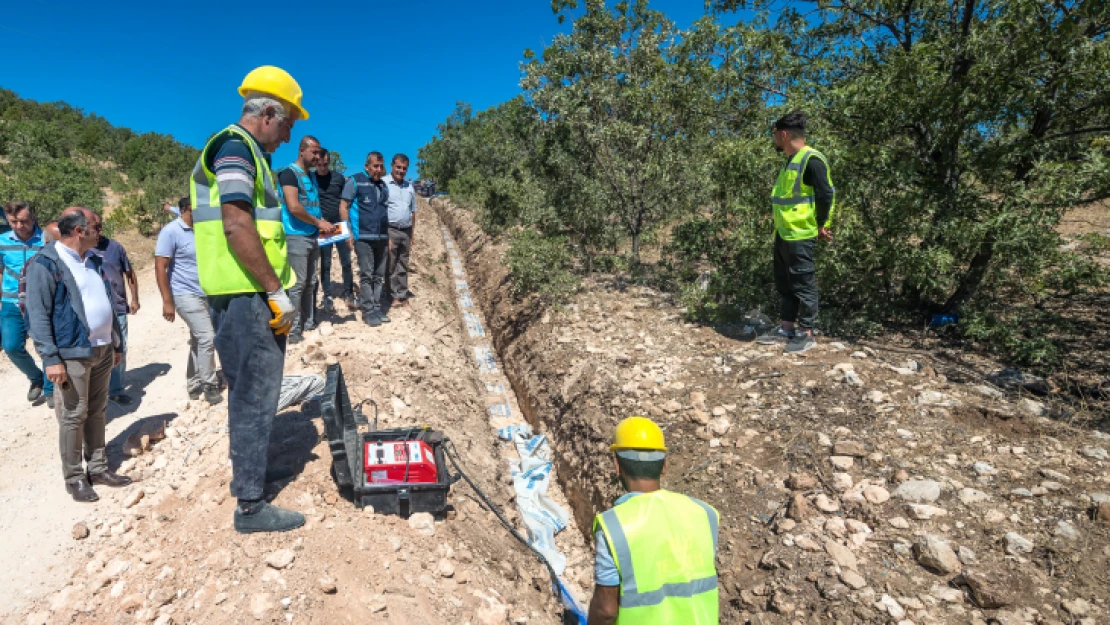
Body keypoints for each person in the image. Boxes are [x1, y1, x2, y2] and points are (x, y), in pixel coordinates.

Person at [191, 65, 309, 533]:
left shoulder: (249, 153)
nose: (286, 136)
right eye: (287, 125)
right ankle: (251, 506)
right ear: (266, 113)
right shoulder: (236, 148)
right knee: (254, 394)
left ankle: (253, 474)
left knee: (257, 391)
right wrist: (275, 290)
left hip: (247, 291)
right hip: (245, 293)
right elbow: (237, 224)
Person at [25, 208, 130, 502]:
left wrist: (115, 343)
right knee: (73, 415)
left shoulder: (93, 260)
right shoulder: (46, 264)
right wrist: (50, 358)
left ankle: (97, 468)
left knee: (97, 411)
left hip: (102, 347)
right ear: (80, 232)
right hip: (72, 352)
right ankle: (74, 477)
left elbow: (107, 300)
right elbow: (38, 315)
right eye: (96, 228)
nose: (101, 232)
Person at [589, 416, 719, 625]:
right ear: (665, 466)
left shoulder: (614, 526)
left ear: (616, 466)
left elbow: (605, 611)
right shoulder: (705, 514)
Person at [756, 110, 835, 354]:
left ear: (783, 134)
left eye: (775, 135)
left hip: (801, 234)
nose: (774, 140)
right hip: (784, 234)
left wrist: (822, 224)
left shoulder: (811, 159)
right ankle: (786, 328)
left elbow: (826, 194)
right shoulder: (792, 161)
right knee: (786, 283)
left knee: (803, 283)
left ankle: (806, 333)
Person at [154, 197, 223, 405]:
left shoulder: (202, 230)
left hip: (207, 293)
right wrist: (167, 301)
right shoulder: (171, 232)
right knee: (207, 338)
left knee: (198, 339)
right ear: (185, 210)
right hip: (184, 294)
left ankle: (193, 383)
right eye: (196, 210)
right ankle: (210, 385)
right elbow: (160, 267)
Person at [279, 135, 332, 344]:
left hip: (311, 236)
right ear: (302, 151)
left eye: (319, 152)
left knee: (310, 282)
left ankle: (308, 323)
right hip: (296, 236)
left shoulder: (309, 177)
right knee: (297, 284)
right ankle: (292, 331)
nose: (318, 156)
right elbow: (293, 207)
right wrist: (318, 223)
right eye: (314, 152)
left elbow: (310, 205)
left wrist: (321, 221)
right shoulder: (289, 174)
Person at [0, 201, 52, 407]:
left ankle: (50, 388)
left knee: (46, 345)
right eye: (13, 221)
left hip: (41, 301)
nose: (19, 226)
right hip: (11, 302)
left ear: (32, 218)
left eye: (23, 221)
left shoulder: (46, 239)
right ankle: (36, 378)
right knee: (11, 346)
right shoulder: (2, 241)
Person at [89, 212, 139, 406]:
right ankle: (96, 390)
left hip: (117, 307)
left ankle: (116, 389)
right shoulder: (80, 251)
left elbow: (130, 273)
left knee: (120, 348)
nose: (99, 231)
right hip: (93, 312)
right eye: (95, 227)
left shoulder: (115, 247)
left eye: (101, 226)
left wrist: (134, 298)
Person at [340, 152, 391, 327]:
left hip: (382, 237)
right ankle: (368, 311)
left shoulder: (384, 186)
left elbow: (385, 213)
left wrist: (388, 236)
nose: (378, 169)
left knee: (378, 276)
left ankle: (377, 308)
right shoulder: (355, 182)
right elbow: (344, 206)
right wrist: (348, 232)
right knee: (367, 275)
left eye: (381, 166)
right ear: (367, 166)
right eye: (375, 166)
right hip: (363, 237)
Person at [313, 148, 354, 309]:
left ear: (329, 163)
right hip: (324, 227)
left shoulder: (338, 178)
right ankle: (327, 295)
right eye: (320, 165)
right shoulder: (312, 179)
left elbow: (346, 200)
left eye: (325, 164)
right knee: (326, 263)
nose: (323, 167)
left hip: (339, 226)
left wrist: (349, 226)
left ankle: (348, 293)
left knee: (346, 261)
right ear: (316, 164)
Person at [383, 154, 417, 308]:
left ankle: (402, 294)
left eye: (404, 168)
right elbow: (380, 210)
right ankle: (391, 295)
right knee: (390, 264)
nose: (401, 171)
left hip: (406, 230)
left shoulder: (409, 186)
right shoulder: (383, 184)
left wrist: (412, 234)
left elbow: (413, 211)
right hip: (390, 229)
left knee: (403, 264)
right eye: (398, 167)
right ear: (392, 166)